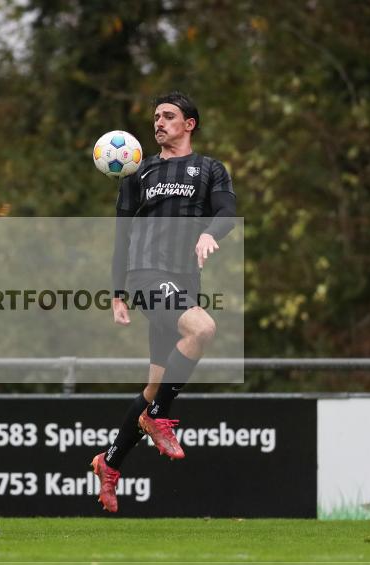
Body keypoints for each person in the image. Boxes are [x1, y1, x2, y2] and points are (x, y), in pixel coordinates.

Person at [92, 92, 237, 512]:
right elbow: (122, 234)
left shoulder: (210, 169)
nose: (159, 122)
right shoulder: (138, 170)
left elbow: (227, 211)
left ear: (189, 123)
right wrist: (117, 291)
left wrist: (212, 232)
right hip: (146, 274)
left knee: (154, 386)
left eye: (168, 116)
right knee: (202, 328)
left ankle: (110, 461)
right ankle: (157, 418)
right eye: (155, 116)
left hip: (185, 282)